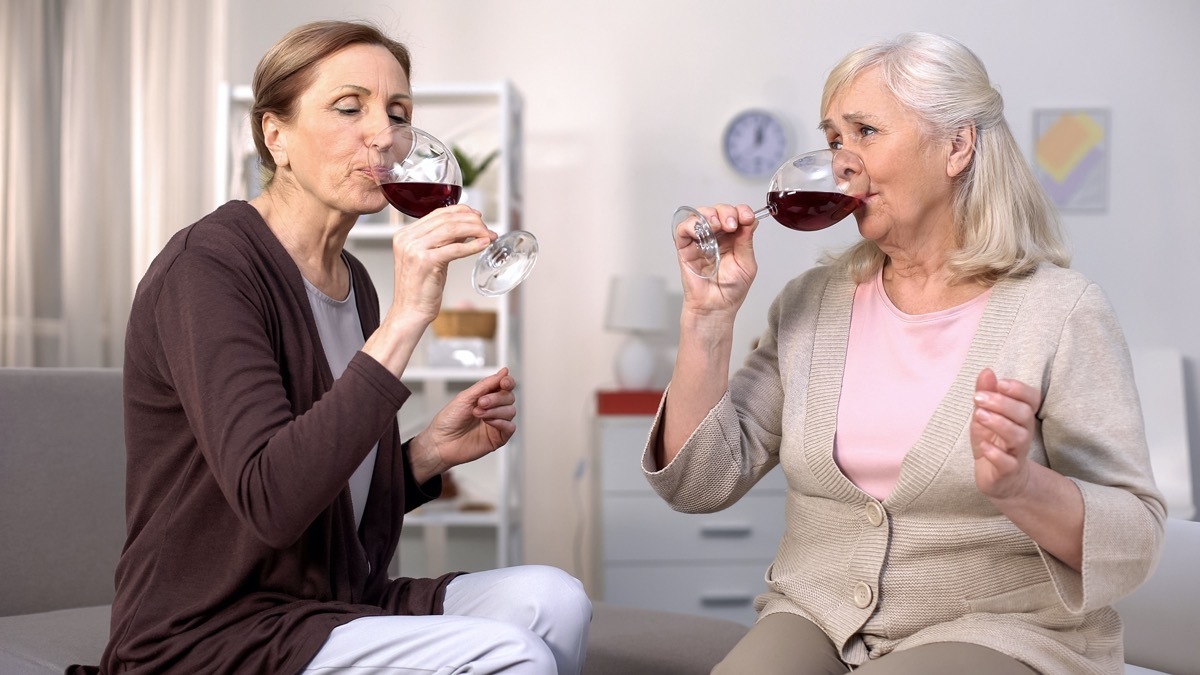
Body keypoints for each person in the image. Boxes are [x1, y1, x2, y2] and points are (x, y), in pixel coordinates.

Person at [85, 19, 590, 675]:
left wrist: (423, 457)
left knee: (558, 600)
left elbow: (331, 497)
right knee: (510, 652)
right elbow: (272, 500)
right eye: (350, 107)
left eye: (398, 112)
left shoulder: (354, 282)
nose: (382, 133)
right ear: (276, 134)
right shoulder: (207, 269)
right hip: (213, 629)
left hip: (330, 600)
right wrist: (407, 320)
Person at [651, 32, 1164, 675]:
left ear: (957, 146)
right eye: (835, 139)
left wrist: (1024, 486)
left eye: (865, 132)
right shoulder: (811, 303)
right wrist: (708, 316)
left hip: (1002, 628)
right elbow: (700, 484)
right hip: (815, 615)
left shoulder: (1059, 311)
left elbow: (1136, 536)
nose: (842, 161)